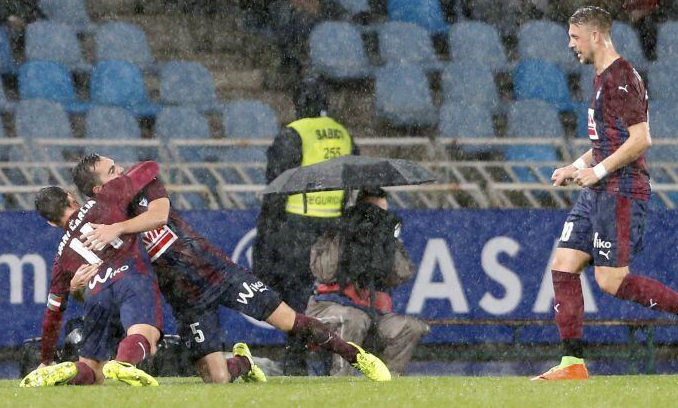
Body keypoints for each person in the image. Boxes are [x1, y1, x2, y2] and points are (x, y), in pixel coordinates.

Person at [73, 154, 391, 382]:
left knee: (289, 321)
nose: (123, 170)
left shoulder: (145, 184)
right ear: (99, 190)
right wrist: (78, 286)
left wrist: (119, 228)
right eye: (113, 170)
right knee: (217, 379)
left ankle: (356, 356)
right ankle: (243, 364)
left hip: (218, 274)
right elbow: (99, 286)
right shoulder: (95, 228)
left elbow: (159, 215)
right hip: (187, 300)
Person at [533, 6, 678, 381]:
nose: (571, 44)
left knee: (610, 281)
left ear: (596, 36)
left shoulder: (621, 80)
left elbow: (641, 139)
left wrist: (598, 171)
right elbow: (608, 141)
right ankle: (572, 363)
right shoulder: (602, 76)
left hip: (621, 191)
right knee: (564, 265)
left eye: (575, 37)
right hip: (599, 190)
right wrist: (577, 166)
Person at [21, 161, 163, 387]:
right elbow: (149, 168)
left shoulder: (61, 257)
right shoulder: (102, 201)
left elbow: (53, 314)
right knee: (147, 335)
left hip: (96, 293)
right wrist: (123, 174)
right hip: (130, 275)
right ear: (70, 197)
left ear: (50, 222)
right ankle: (124, 362)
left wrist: (46, 359)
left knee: (92, 370)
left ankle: (67, 370)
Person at [253, 77, 358, 375]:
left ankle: (296, 360)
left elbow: (276, 189)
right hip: (334, 227)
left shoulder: (293, 134)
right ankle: (331, 358)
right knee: (328, 296)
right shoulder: (343, 135)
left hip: (297, 228)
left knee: (296, 299)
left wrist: (265, 238)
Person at [306, 187, 429, 376]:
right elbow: (324, 273)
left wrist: (385, 243)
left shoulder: (386, 239)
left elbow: (402, 274)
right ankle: (339, 383)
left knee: (411, 327)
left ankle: (385, 385)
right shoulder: (337, 230)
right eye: (372, 211)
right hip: (327, 310)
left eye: (383, 212)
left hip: (372, 314)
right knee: (354, 319)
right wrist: (346, 235)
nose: (377, 216)